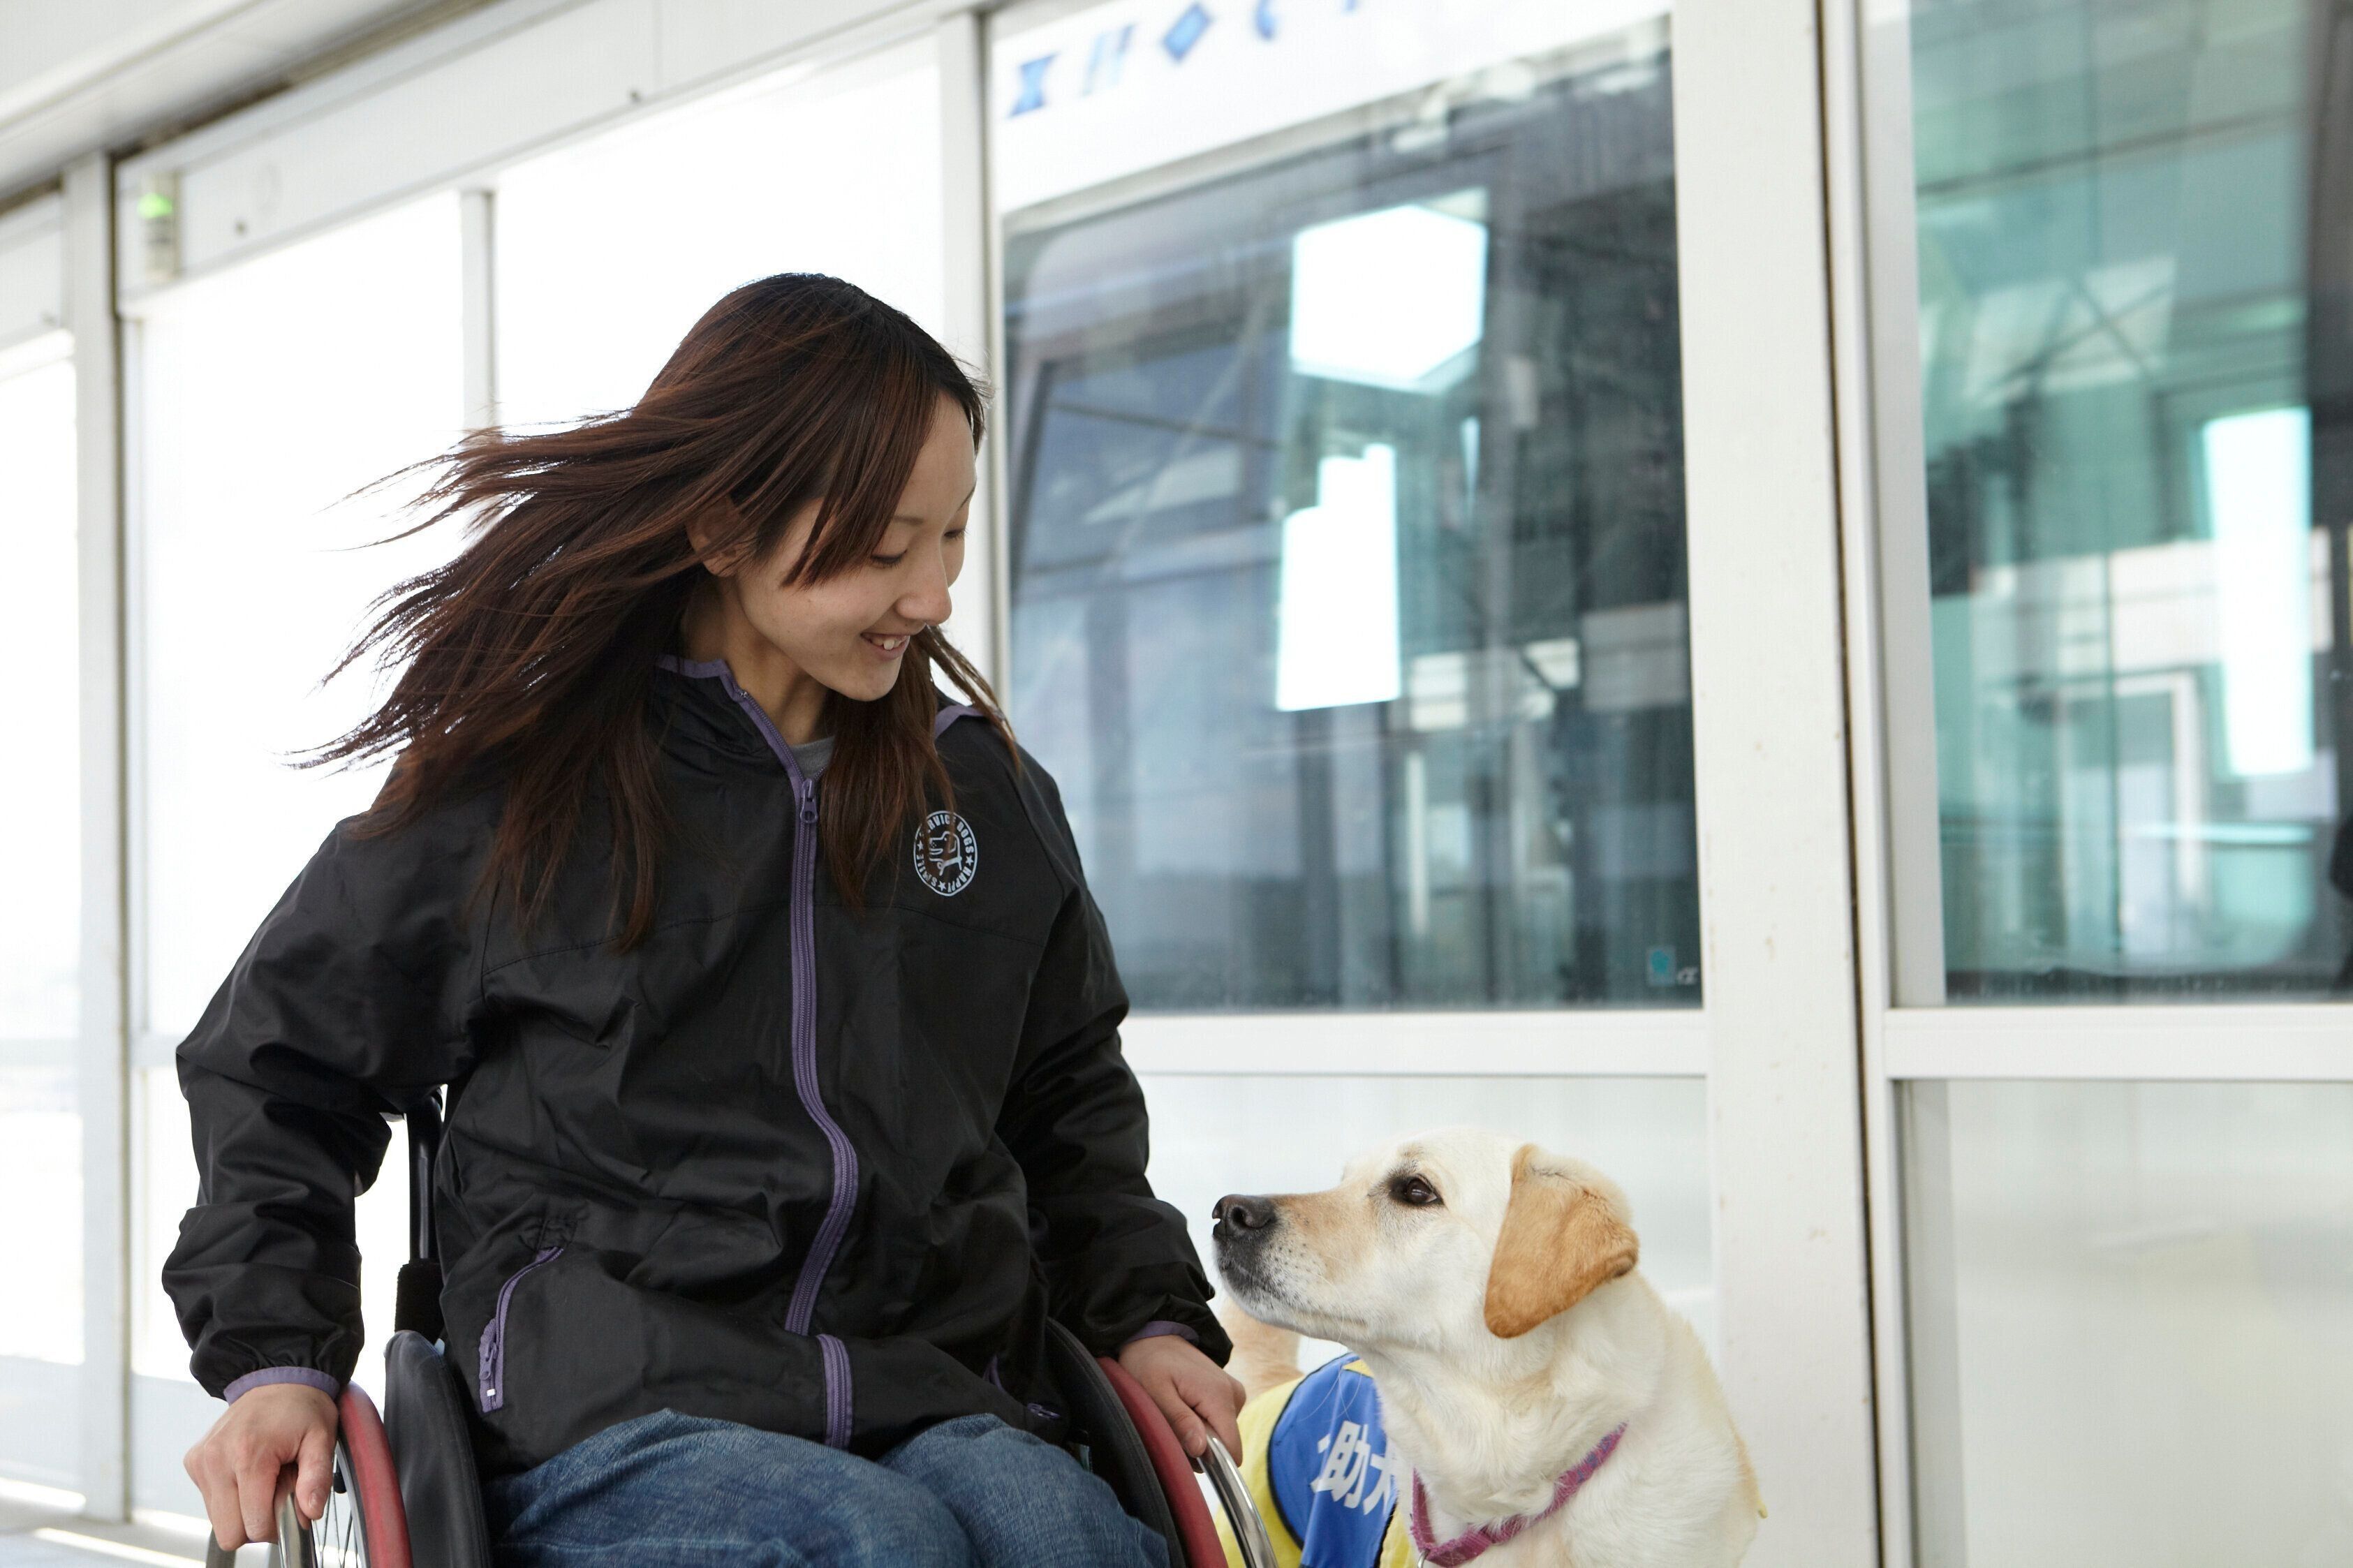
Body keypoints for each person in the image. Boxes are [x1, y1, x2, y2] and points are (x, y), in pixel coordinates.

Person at [163, 274, 1244, 1567]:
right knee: (871, 1545)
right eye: (886, 547)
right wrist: (276, 1355)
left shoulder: (984, 801)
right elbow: (278, 1059)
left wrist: (1150, 1317)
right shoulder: (520, 792)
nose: (934, 595)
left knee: (1066, 1537)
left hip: (933, 1378)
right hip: (609, 1406)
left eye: (951, 537)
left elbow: (1066, 1098)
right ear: (725, 528)